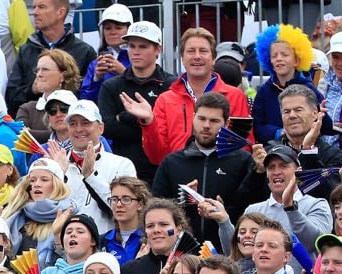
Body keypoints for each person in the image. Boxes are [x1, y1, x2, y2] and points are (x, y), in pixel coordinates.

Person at [123, 28, 251, 167]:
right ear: (182, 59)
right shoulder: (166, 100)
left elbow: (244, 146)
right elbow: (157, 157)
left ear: (213, 58)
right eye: (191, 51)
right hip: (179, 176)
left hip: (222, 176)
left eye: (203, 51)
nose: (197, 56)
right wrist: (149, 123)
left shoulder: (235, 96)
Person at [151, 92, 252, 246]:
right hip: (182, 253)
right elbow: (157, 209)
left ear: (226, 123)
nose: (206, 125)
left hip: (228, 251)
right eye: (201, 118)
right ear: (193, 117)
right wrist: (184, 201)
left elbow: (250, 210)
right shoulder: (172, 162)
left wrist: (224, 211)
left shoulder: (242, 161)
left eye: (214, 121)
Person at [96, 21, 174, 183]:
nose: (136, 52)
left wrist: (124, 117)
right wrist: (147, 122)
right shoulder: (112, 86)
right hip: (124, 171)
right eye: (132, 46)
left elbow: (170, 130)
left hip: (161, 172)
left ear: (158, 49)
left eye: (143, 46)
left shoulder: (171, 85)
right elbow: (106, 128)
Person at [53, 100, 134, 235]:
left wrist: (91, 176)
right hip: (63, 246)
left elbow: (126, 209)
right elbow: (40, 211)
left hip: (106, 247)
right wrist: (57, 175)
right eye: (73, 124)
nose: (79, 129)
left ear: (101, 128)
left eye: (86, 123)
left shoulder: (122, 165)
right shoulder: (56, 165)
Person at [257, 84, 342, 199]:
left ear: (315, 113)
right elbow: (249, 200)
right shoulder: (268, 152)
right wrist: (258, 172)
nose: (292, 115)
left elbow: (329, 196)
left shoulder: (333, 155)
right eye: (286, 111)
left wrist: (308, 151)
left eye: (298, 110)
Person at [240, 145, 334, 252]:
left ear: (299, 171)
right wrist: (224, 222)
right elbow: (240, 253)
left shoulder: (317, 205)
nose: (276, 172)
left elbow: (315, 243)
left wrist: (290, 208)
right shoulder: (253, 211)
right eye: (271, 167)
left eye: (283, 166)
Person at [7, 0, 95, 111]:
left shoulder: (84, 51)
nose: (35, 12)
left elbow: (90, 97)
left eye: (41, 7)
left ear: (60, 12)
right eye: (34, 7)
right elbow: (11, 97)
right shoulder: (26, 51)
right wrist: (32, 90)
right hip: (31, 124)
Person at [250, 24, 325, 144]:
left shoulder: (308, 88)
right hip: (274, 149)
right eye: (274, 56)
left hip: (305, 146)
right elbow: (257, 126)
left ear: (297, 60)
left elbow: (326, 126)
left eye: (284, 55)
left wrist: (322, 116)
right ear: (269, 61)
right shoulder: (264, 91)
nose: (279, 58)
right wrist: (278, 132)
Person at [120, 199, 199, 274]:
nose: (156, 230)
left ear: (178, 229)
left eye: (163, 224)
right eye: (150, 226)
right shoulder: (128, 271)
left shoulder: (197, 265)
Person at [100, 176, 145, 263]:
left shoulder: (149, 237)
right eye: (114, 199)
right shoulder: (102, 241)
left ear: (140, 204)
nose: (119, 204)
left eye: (126, 199)